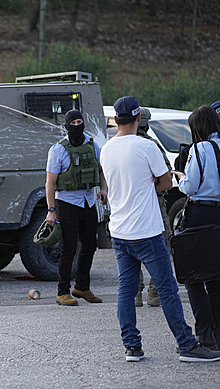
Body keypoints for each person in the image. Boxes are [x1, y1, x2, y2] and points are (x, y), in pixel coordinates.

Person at [100, 95, 220, 362]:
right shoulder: (146, 147)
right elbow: (166, 183)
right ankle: (187, 345)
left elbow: (110, 183)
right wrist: (148, 183)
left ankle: (132, 346)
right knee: (167, 289)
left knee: (126, 289)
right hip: (146, 230)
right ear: (139, 118)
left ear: (117, 119)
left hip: (119, 231)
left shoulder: (106, 149)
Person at [45, 109, 107, 306]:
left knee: (90, 245)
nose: (77, 125)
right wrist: (51, 209)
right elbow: (50, 182)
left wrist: (103, 190)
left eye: (79, 121)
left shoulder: (92, 145)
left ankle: (82, 287)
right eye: (73, 122)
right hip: (68, 203)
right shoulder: (58, 149)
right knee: (69, 248)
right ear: (67, 125)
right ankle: (62, 292)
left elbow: (101, 169)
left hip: (89, 201)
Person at [172, 105, 220, 351]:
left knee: (194, 277)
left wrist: (180, 178)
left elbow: (190, 186)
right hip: (218, 214)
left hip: (199, 213)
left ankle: (204, 334)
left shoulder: (199, 149)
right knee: (215, 277)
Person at [134, 107, 171, 308]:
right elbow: (167, 178)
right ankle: (154, 293)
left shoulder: (117, 145)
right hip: (154, 204)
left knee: (131, 250)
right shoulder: (151, 145)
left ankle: (135, 294)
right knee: (160, 248)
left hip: (128, 207)